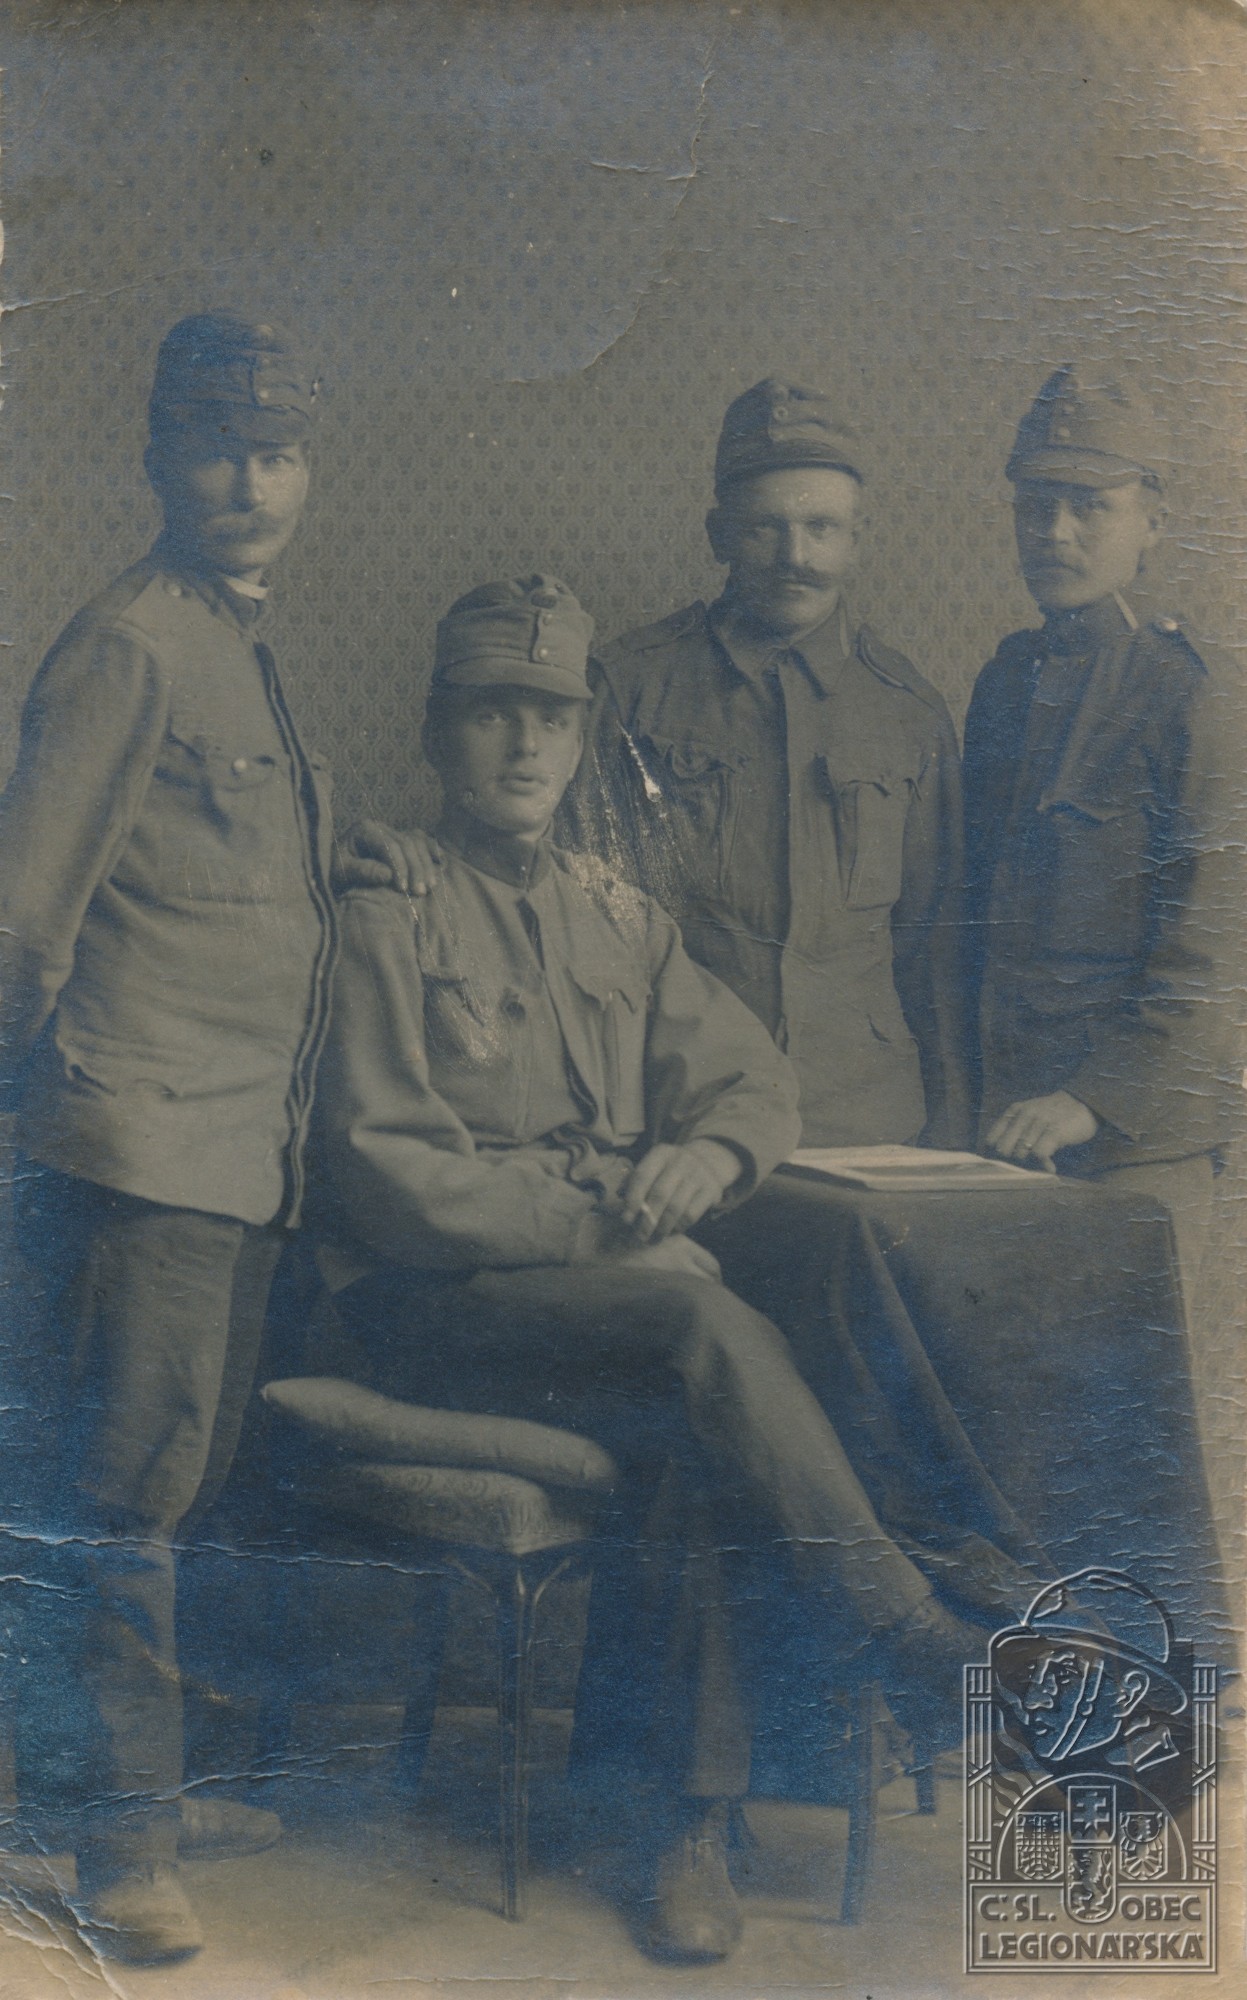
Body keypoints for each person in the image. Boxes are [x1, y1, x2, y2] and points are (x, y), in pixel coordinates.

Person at [315, 574, 983, 1963]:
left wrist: (708, 1157)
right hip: (428, 1308)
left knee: (702, 1420)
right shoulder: (389, 907)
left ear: (581, 740)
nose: (525, 744)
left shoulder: (614, 914)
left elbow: (751, 1074)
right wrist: (609, 1229)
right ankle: (909, 1633)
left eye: (552, 718)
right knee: (697, 1324)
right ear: (437, 733)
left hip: (594, 1318)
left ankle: (676, 1822)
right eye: (492, 714)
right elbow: (388, 1173)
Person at [0, 312, 337, 1964]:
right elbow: (21, 919)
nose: (247, 484)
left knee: (161, 1490)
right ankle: (119, 1847)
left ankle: (102, 1790)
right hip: (134, 1148)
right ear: (156, 460)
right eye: (215, 450)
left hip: (233, 1155)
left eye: (274, 453)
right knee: (118, 1499)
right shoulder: (131, 643)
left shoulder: (243, 643)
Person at [962, 366, 1244, 1567]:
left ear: (1150, 518)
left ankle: (1162, 1688)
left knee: (1132, 1463)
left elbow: (1211, 954)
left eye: (1090, 503)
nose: (1057, 531)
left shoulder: (1190, 698)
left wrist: (1087, 1097)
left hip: (1133, 1143)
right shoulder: (1001, 684)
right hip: (1004, 1129)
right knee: (1013, 1449)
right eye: (1035, 503)